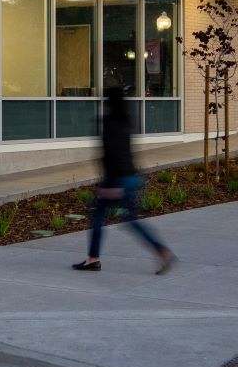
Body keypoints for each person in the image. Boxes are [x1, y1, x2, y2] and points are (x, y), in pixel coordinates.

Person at [71, 84, 176, 274]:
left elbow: (111, 154)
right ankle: (162, 252)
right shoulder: (126, 120)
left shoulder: (109, 122)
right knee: (131, 219)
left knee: (99, 216)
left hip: (117, 179)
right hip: (131, 176)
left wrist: (111, 183)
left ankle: (93, 259)